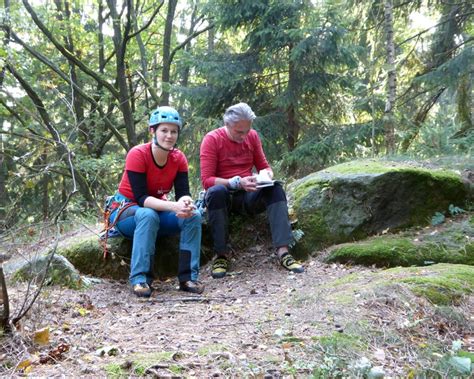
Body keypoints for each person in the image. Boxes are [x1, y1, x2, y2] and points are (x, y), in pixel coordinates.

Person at [200, 102, 304, 279]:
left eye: (247, 131)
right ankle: (221, 255)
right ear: (227, 125)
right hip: (224, 196)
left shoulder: (252, 137)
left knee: (276, 189)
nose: (244, 136)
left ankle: (283, 251)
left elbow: (265, 167)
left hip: (248, 195)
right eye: (239, 132)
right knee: (216, 192)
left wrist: (265, 176)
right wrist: (236, 182)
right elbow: (207, 180)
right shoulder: (212, 139)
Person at [109, 106, 204, 297]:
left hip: (157, 211)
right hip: (128, 212)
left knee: (194, 216)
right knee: (147, 214)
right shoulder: (138, 154)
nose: (169, 136)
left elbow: (183, 193)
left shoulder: (178, 159)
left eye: (174, 131)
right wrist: (173, 206)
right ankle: (140, 279)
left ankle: (188, 278)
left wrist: (186, 203)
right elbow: (142, 199)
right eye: (164, 130)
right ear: (153, 131)